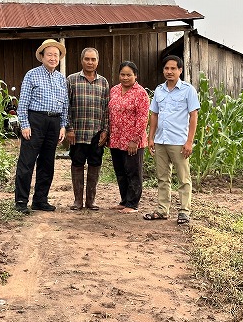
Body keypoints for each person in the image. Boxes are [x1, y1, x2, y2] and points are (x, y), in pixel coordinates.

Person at [14, 39, 69, 214]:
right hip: (35, 121)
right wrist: (25, 124)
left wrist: (62, 125)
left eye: (56, 55)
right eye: (50, 55)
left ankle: (40, 200)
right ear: (42, 57)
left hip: (54, 123)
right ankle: (21, 201)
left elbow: (65, 105)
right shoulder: (32, 75)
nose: (53, 58)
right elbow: (23, 103)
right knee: (27, 162)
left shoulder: (61, 79)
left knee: (47, 163)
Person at [144, 55, 199, 225]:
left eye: (173, 69)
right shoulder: (159, 90)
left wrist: (189, 142)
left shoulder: (188, 90)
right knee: (163, 178)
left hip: (179, 142)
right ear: (163, 70)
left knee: (183, 178)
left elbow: (193, 116)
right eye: (167, 68)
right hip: (161, 140)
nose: (169, 72)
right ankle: (162, 210)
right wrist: (150, 138)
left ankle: (184, 211)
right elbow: (154, 115)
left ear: (180, 70)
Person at [66, 48, 110, 210]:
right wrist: (69, 128)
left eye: (93, 59)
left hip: (96, 133)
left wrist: (105, 130)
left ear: (97, 61)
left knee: (95, 163)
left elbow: (107, 109)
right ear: (81, 60)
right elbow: (66, 106)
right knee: (77, 163)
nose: (90, 62)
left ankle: (91, 200)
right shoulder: (72, 80)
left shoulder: (103, 82)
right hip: (77, 133)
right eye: (87, 59)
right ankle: (78, 200)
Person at [107, 61, 150, 214]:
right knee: (120, 171)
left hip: (133, 141)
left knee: (133, 171)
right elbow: (110, 113)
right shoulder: (114, 90)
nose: (125, 78)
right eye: (122, 74)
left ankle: (132, 204)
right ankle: (124, 200)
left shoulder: (140, 93)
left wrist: (134, 140)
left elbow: (143, 118)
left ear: (135, 76)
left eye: (128, 75)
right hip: (116, 139)